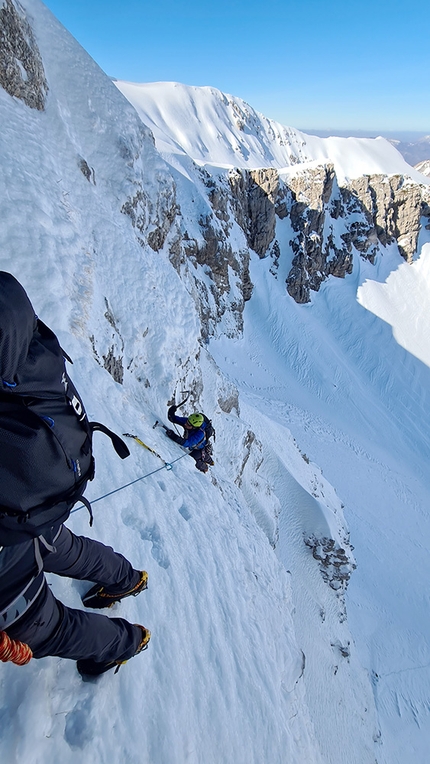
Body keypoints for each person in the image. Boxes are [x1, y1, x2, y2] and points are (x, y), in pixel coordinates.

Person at [0, 272, 150, 678]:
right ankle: (127, 577)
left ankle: (125, 642)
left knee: (47, 629)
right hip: (34, 505)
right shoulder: (18, 342)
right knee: (62, 547)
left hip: (16, 521)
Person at [164, 405, 214, 473]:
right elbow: (173, 418)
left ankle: (205, 467)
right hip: (196, 446)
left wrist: (173, 436)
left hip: (199, 449)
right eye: (187, 422)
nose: (186, 424)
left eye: (189, 425)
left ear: (195, 427)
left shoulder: (200, 434)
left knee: (192, 459)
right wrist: (171, 412)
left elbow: (187, 443)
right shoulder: (190, 422)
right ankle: (209, 460)